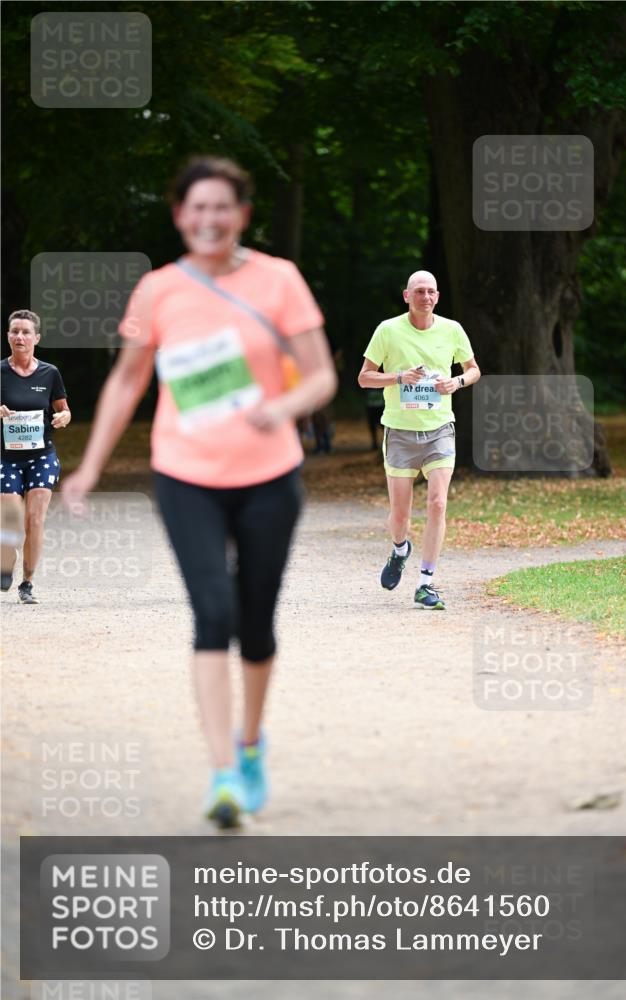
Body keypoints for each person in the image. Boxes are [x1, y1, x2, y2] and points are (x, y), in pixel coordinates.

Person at [61, 156, 336, 828]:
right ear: (179, 215)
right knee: (212, 614)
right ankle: (221, 776)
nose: (208, 219)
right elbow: (128, 380)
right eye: (196, 208)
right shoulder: (157, 290)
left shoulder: (279, 280)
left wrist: (285, 407)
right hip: (186, 477)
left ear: (241, 215)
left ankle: (249, 745)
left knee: (256, 622)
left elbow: (322, 375)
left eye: (222, 208)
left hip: (270, 475)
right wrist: (90, 466)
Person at [358, 271, 480, 609]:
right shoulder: (388, 330)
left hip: (440, 428)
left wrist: (456, 383)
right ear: (406, 296)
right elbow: (364, 378)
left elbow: (473, 369)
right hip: (399, 431)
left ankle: (426, 582)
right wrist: (398, 377)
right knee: (401, 515)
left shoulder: (452, 330)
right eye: (419, 292)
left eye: (430, 292)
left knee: (438, 503)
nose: (425, 297)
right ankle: (400, 550)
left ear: (437, 297)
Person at [0, 309, 71, 602]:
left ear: (36, 338)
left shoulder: (49, 372)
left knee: (35, 519)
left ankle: (27, 583)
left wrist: (63, 417)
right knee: (10, 518)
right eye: (15, 331)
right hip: (6, 457)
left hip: (42, 454)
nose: (20, 336)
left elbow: (62, 409)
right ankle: (6, 563)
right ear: (8, 336)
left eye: (26, 332)